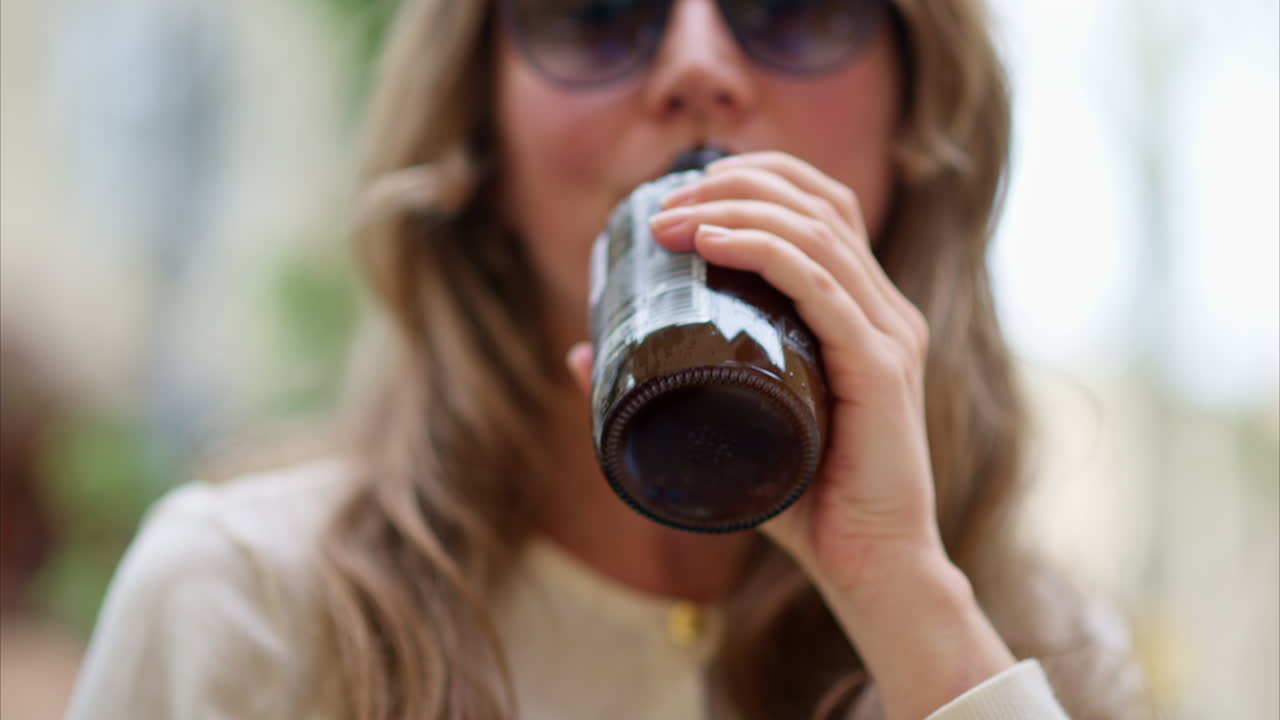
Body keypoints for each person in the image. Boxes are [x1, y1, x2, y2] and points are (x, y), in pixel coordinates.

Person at [66, 1, 1152, 718]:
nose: (695, 67)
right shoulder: (242, 607)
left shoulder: (1033, 653)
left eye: (791, 8)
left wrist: (904, 603)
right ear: (477, 138)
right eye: (596, 15)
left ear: (918, 111)